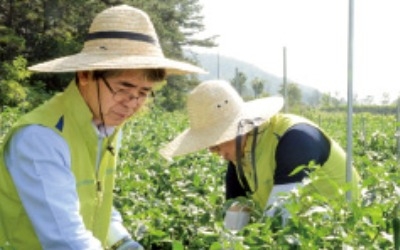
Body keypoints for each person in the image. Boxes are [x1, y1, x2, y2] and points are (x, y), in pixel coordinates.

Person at [0, 5, 205, 249]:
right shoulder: (41, 137)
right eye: (123, 89)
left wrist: (122, 241)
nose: (131, 104)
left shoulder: (105, 126)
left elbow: (96, 201)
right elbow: (66, 240)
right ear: (85, 75)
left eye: (143, 93)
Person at [159, 79, 360, 230]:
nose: (213, 151)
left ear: (237, 129)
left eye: (214, 142)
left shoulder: (294, 139)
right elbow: (234, 226)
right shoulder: (239, 159)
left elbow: (280, 219)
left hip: (345, 233)